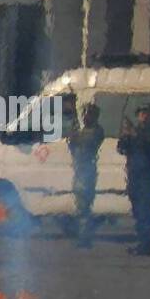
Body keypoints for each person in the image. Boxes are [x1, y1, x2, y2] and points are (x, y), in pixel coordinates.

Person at [117, 103, 150, 255]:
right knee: (137, 210)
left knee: (146, 210)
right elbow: (121, 148)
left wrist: (135, 134)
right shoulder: (133, 132)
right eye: (141, 113)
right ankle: (143, 242)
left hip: (147, 177)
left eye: (147, 113)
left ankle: (146, 244)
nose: (144, 116)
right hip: (134, 177)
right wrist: (126, 135)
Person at [66, 102, 105, 246]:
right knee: (80, 205)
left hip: (87, 172)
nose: (85, 117)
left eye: (88, 114)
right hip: (80, 171)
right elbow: (72, 144)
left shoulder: (96, 131)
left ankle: (85, 237)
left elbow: (84, 141)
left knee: (84, 206)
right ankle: (83, 234)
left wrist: (75, 133)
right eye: (84, 114)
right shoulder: (83, 130)